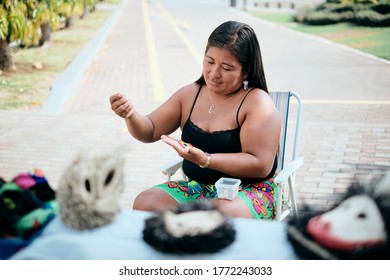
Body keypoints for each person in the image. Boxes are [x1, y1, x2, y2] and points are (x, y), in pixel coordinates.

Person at [109, 21, 281, 219]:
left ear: (246, 70)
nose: (214, 73)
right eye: (210, 62)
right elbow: (149, 130)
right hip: (199, 189)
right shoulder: (190, 95)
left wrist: (206, 160)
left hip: (250, 191)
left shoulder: (257, 102)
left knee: (217, 213)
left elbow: (261, 164)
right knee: (145, 203)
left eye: (226, 67)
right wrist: (130, 114)